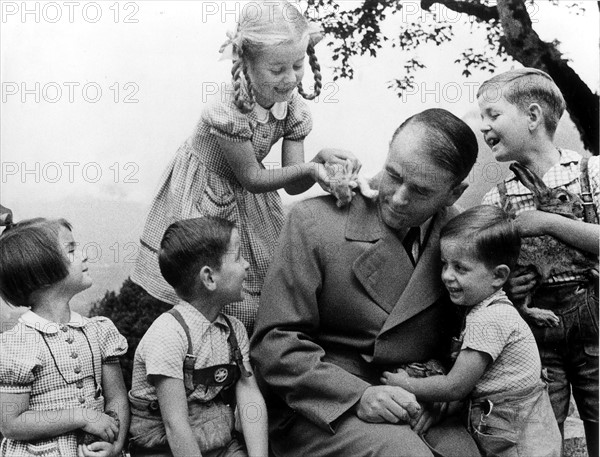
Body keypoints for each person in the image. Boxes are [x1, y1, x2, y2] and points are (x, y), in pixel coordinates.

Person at [251, 108, 482, 457]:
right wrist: (358, 396)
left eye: (420, 191)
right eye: (393, 174)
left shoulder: (462, 236)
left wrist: (444, 392)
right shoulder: (313, 221)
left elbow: (475, 331)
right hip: (322, 405)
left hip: (417, 398)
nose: (399, 197)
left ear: (453, 193)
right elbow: (274, 343)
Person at [132, 0, 360, 334]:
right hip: (208, 195)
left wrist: (318, 160)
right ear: (247, 63)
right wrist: (311, 170)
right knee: (216, 286)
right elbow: (252, 177)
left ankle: (256, 360)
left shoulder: (290, 105)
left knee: (264, 282)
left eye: (297, 66)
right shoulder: (228, 110)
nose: (290, 79)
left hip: (253, 197)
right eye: (277, 69)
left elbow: (291, 183)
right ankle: (209, 358)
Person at [479, 68, 599, 456]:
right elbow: (493, 271)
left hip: (594, 318)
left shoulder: (589, 172)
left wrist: (547, 221)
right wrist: (510, 289)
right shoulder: (496, 199)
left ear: (533, 116)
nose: (484, 127)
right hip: (537, 332)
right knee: (543, 422)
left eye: (493, 115)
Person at [381, 205, 562, 457]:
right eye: (445, 264)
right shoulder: (491, 307)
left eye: (460, 268)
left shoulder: (488, 319)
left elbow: (455, 387)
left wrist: (405, 384)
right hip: (518, 419)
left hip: (516, 428)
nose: (447, 276)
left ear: (498, 276)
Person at [128, 217, 268, 457]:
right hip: (164, 446)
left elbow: (250, 397)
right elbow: (175, 425)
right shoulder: (169, 335)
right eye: (238, 257)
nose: (246, 265)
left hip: (215, 437)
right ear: (209, 278)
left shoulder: (233, 330)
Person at [0, 211, 130, 457]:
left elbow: (117, 398)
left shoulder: (99, 331)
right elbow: (11, 424)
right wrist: (80, 416)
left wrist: (115, 445)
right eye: (71, 250)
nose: (84, 254)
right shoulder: (17, 344)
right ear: (41, 271)